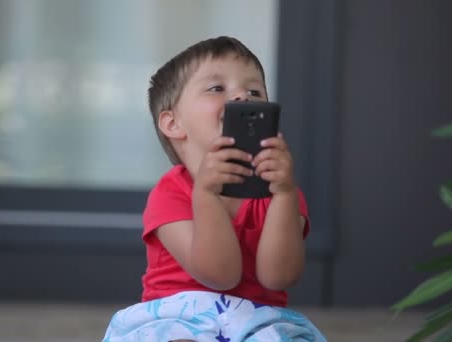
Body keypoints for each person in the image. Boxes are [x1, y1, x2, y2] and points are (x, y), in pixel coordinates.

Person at [103, 36, 326, 342]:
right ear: (173, 124)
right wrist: (206, 194)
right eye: (217, 88)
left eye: (254, 91)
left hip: (259, 321)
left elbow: (279, 277)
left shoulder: (283, 193)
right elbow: (219, 275)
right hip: (180, 318)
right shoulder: (169, 194)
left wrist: (286, 194)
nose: (241, 97)